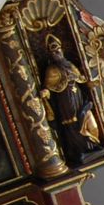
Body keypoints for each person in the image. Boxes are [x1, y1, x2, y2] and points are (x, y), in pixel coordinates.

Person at [39, 35, 100, 164]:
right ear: (50, 54)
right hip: (65, 100)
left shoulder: (69, 64)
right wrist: (46, 92)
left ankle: (91, 146)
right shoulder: (52, 70)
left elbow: (80, 79)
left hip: (78, 97)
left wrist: (90, 83)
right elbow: (49, 87)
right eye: (53, 51)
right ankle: (79, 151)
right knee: (73, 124)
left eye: (58, 49)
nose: (57, 53)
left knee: (87, 120)